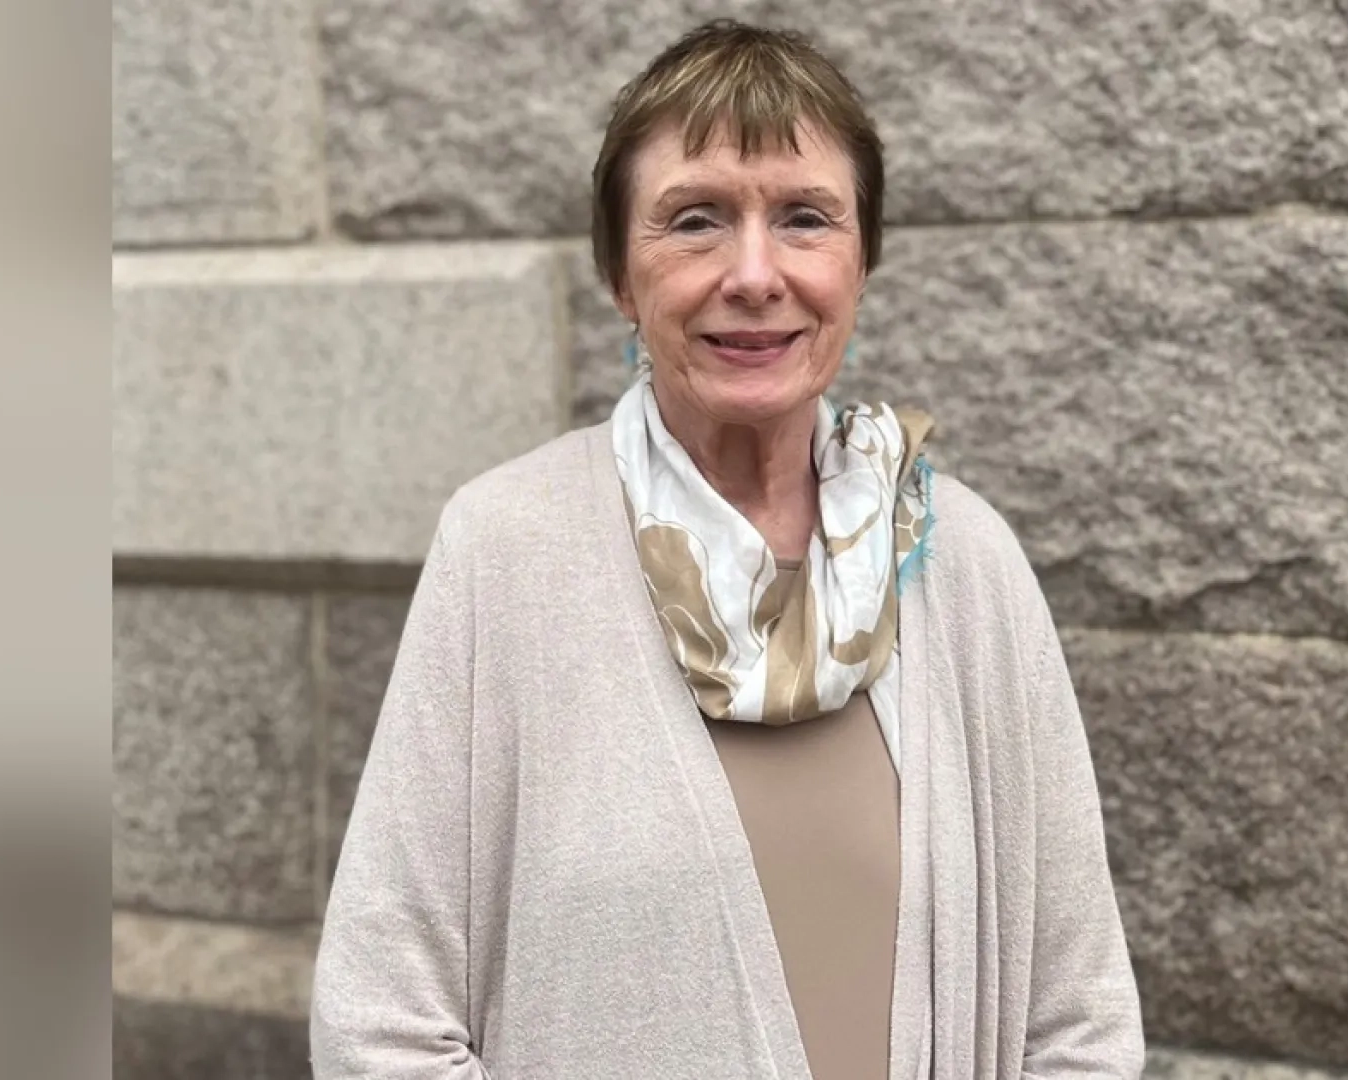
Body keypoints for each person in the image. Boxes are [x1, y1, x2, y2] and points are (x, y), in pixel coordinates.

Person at [311, 19, 1144, 1080]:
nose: (755, 274)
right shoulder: (507, 551)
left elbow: (1078, 1018)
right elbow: (380, 1021)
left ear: (862, 262)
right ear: (620, 275)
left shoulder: (963, 560)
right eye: (696, 220)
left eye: (805, 218)